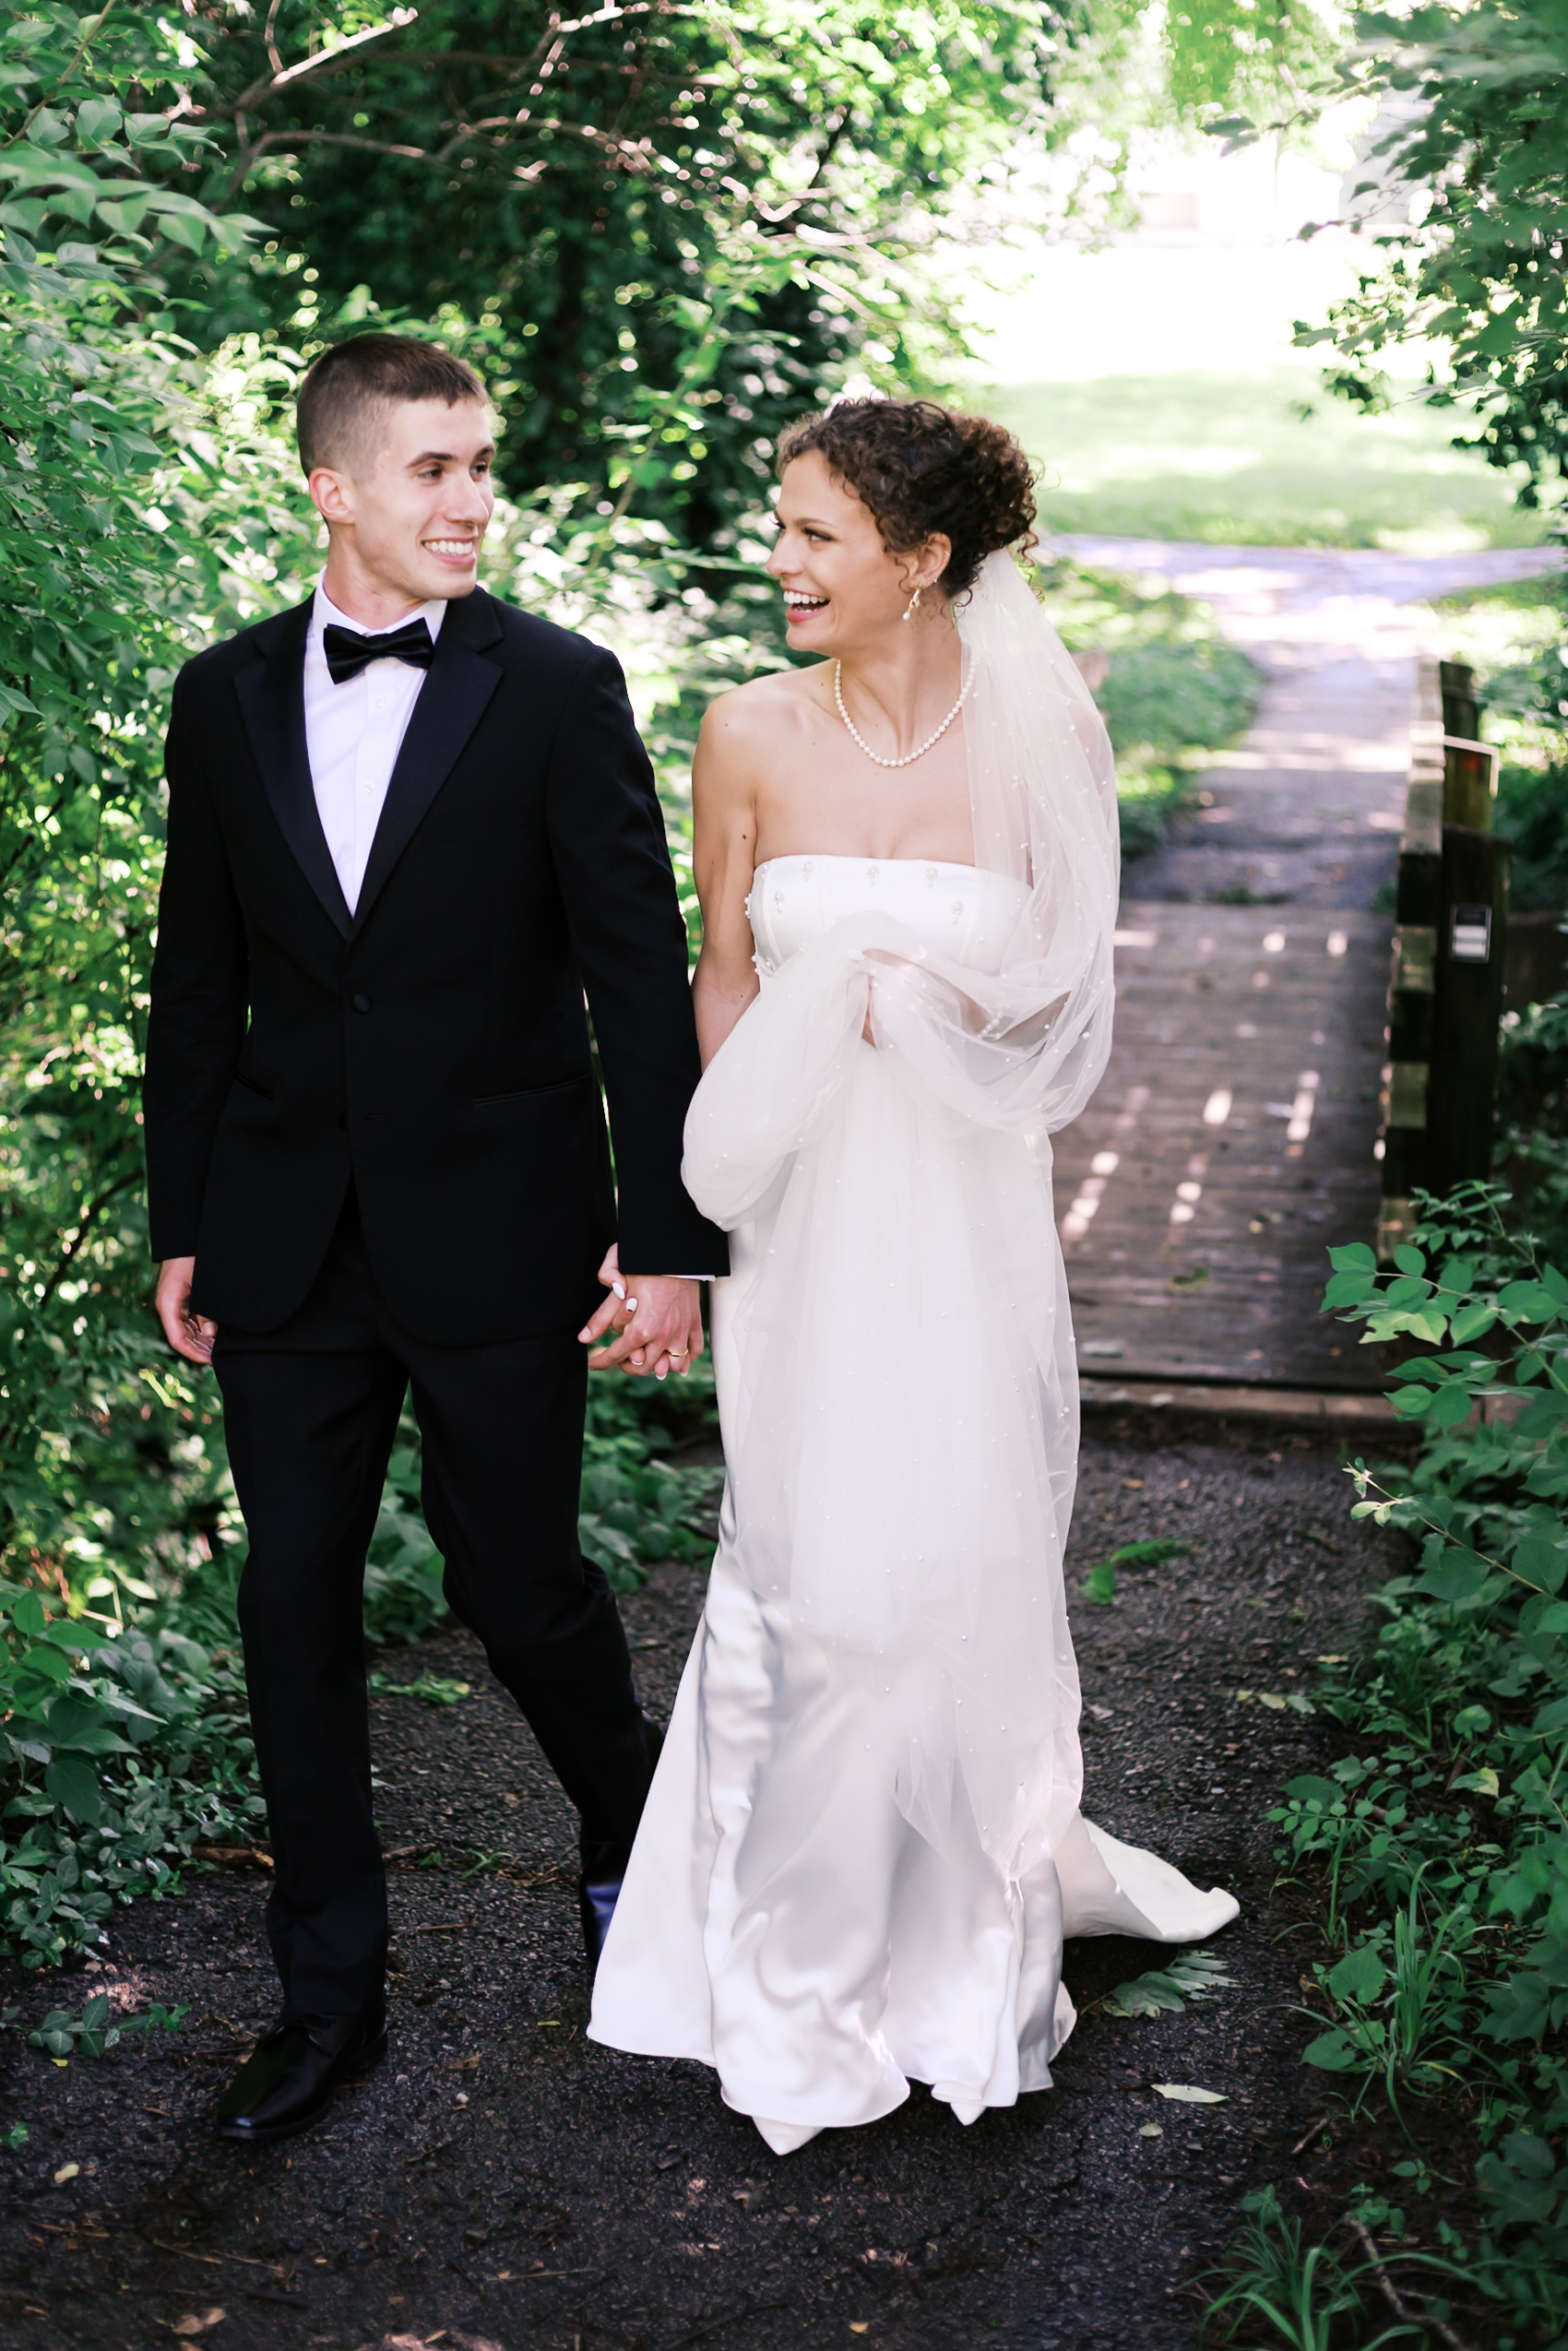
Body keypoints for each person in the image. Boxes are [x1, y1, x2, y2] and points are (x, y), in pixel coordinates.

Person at [588, 398, 1238, 2154]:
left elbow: (1058, 1014)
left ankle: (954, 1933)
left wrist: (926, 1008)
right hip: (801, 1218)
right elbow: (715, 978)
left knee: (937, 1554)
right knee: (810, 1558)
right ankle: (783, 1960)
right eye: (781, 528)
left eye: (814, 534)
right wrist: (701, 1212)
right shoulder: (744, 729)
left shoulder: (1044, 733)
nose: (780, 560)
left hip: (954, 1223)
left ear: (922, 558)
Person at [143, 332, 728, 2145]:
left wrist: (670, 1238)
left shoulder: (558, 687)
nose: (473, 500)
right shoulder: (221, 695)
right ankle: (326, 2006)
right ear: (332, 487)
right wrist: (182, 1222)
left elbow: (638, 978)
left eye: (483, 465)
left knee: (519, 1591)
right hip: (284, 1239)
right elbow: (200, 979)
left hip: (503, 1227)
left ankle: (637, 1841)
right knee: (288, 1601)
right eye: (432, 470)